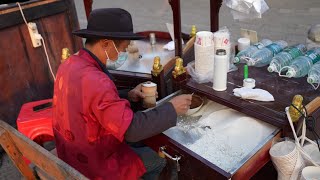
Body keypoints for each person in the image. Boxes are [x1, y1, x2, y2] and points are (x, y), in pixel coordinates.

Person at [52, 8, 192, 180]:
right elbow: (131, 130)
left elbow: (91, 103)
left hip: (71, 152)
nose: (124, 53)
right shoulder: (97, 80)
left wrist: (128, 95)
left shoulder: (70, 63)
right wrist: (172, 108)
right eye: (124, 48)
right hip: (95, 164)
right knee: (161, 160)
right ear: (105, 44)